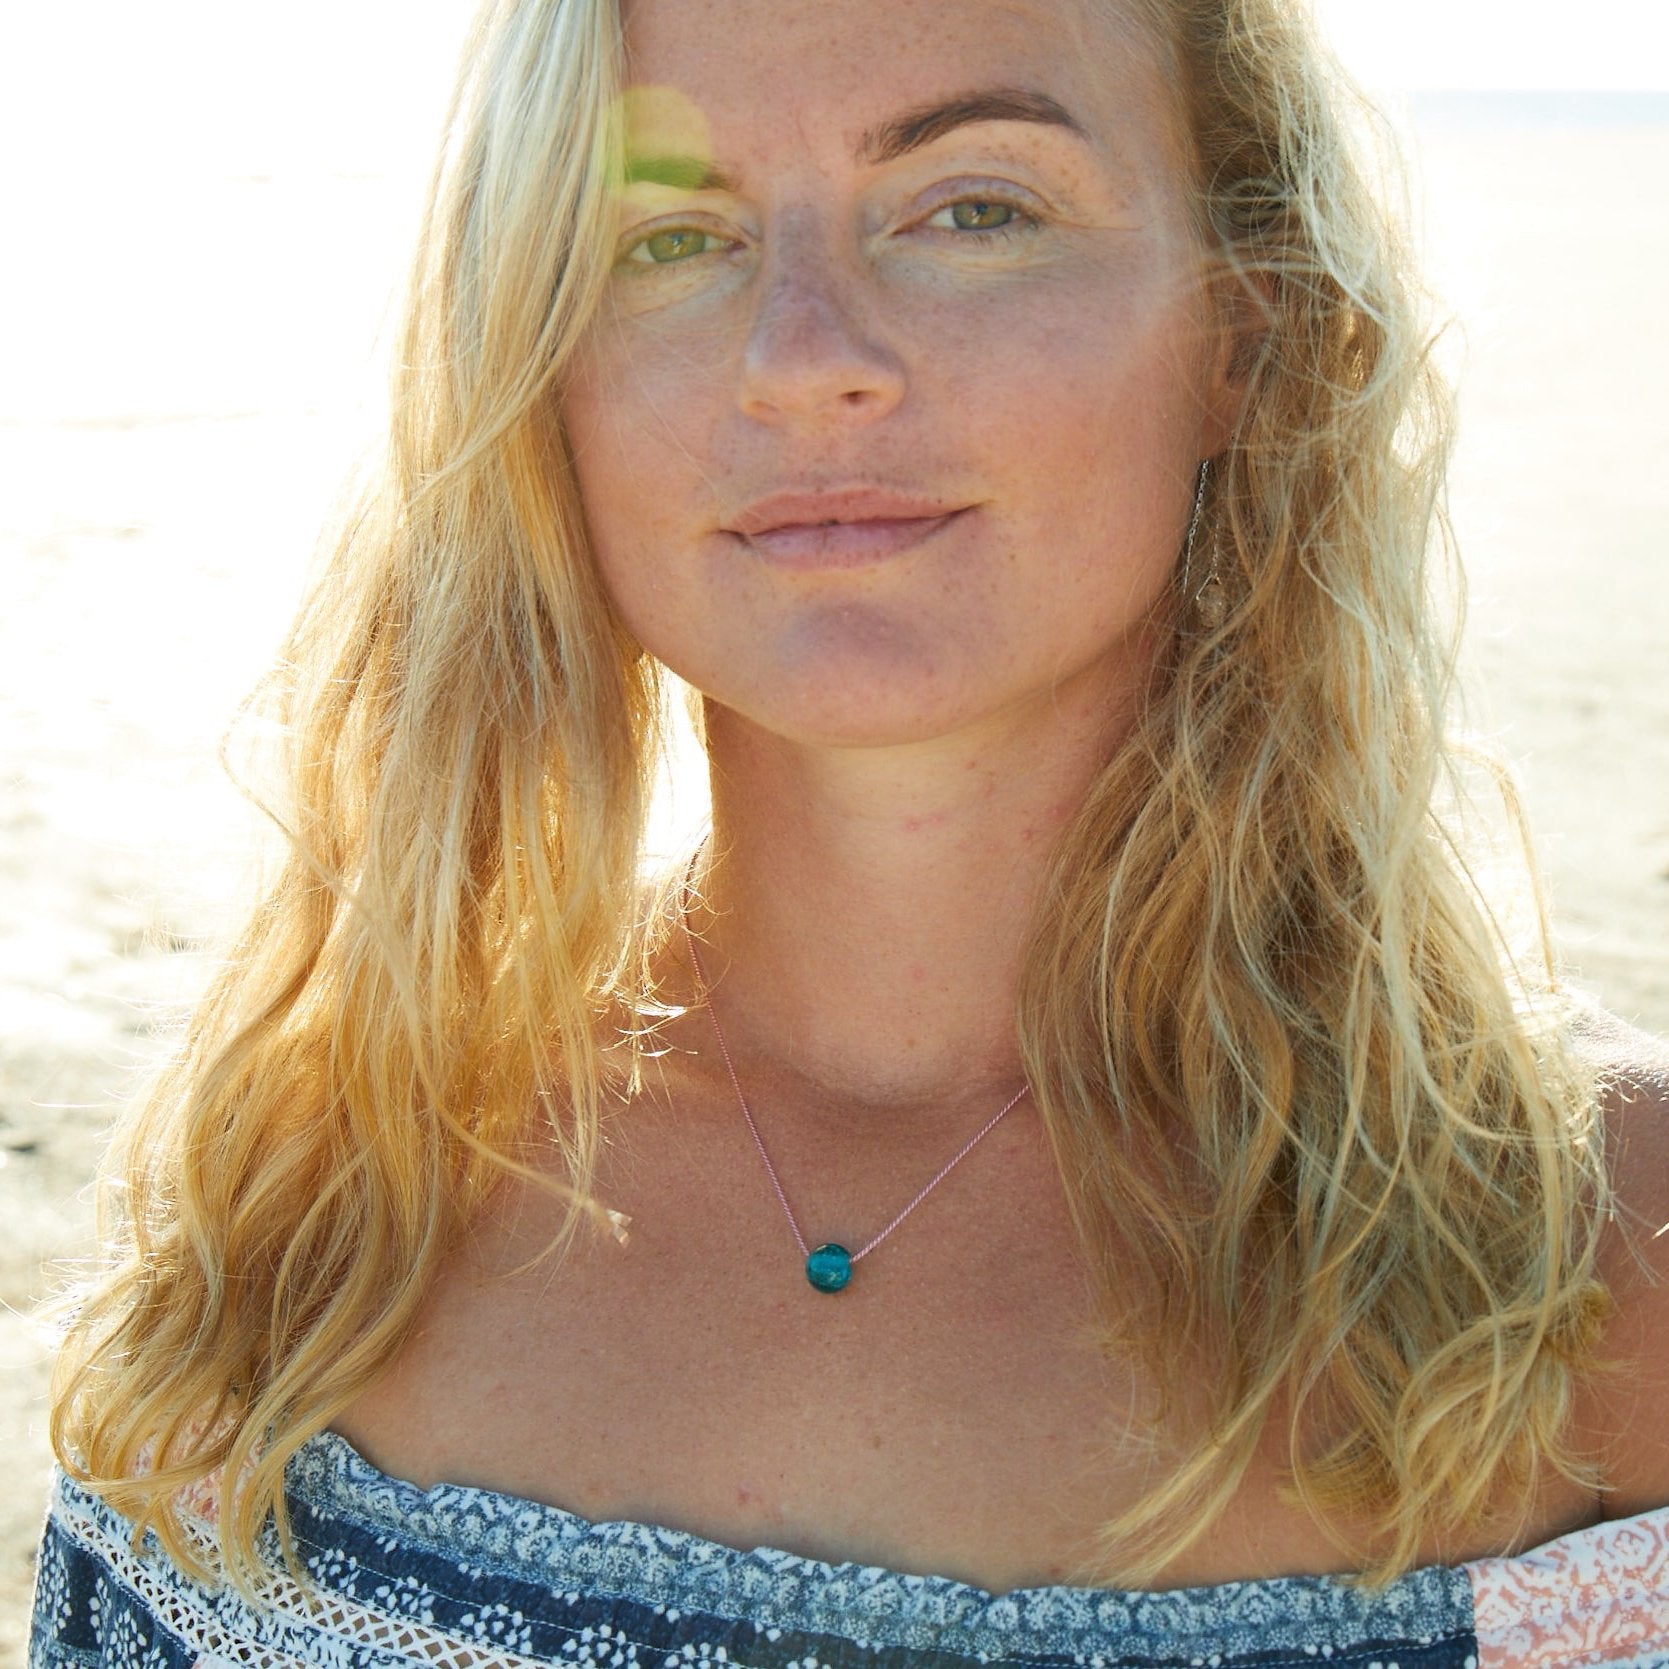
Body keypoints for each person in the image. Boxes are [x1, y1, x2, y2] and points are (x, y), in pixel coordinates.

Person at [30, 0, 1669, 1663]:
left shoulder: (1604, 1257)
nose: (802, 350)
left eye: (974, 207)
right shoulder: (312, 1208)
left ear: (1247, 329)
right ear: (538, 365)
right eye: (671, 234)